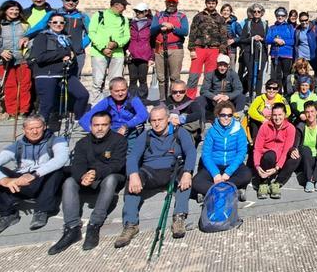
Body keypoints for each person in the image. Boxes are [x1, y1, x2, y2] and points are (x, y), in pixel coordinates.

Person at [115, 105, 196, 248]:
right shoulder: (145, 136)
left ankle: (179, 217)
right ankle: (131, 224)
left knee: (186, 178)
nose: (157, 123)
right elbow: (133, 157)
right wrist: (133, 174)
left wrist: (188, 172)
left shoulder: (180, 133)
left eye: (160, 119)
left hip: (173, 169)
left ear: (168, 119)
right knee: (132, 182)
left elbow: (190, 152)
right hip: (150, 171)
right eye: (153, 120)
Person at [48, 111, 127, 254]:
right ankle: (72, 228)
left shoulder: (119, 140)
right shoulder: (82, 143)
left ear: (110, 125)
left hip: (110, 176)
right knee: (69, 182)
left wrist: (95, 172)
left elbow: (117, 164)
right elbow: (78, 164)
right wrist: (82, 176)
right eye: (96, 125)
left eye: (104, 125)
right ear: (90, 126)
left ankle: (94, 224)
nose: (100, 128)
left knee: (111, 180)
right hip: (87, 178)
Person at [0, 115, 68, 235]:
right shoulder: (17, 145)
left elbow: (61, 159)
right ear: (24, 130)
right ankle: (8, 214)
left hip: (43, 180)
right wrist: (6, 180)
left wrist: (35, 174)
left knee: (56, 170)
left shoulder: (57, 140)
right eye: (30, 128)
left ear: (45, 127)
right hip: (21, 181)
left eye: (38, 127)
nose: (35, 131)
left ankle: (42, 211)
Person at [29, 12, 90, 126]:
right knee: (47, 104)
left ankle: (78, 119)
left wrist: (70, 60)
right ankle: (40, 128)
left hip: (64, 74)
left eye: (61, 22)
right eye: (55, 22)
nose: (58, 24)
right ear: (49, 23)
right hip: (46, 74)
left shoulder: (65, 39)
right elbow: (40, 57)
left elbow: (69, 55)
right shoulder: (42, 37)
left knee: (82, 95)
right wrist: (63, 53)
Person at [192, 101, 252, 201]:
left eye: (229, 115)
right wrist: (215, 174)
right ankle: (231, 191)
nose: (226, 118)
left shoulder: (238, 129)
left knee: (247, 175)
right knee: (196, 182)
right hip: (215, 165)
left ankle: (213, 191)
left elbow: (241, 152)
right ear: (218, 115)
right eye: (223, 115)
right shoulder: (212, 131)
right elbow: (206, 154)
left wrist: (228, 172)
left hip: (232, 164)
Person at [0, 0, 31, 116]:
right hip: (4, 61)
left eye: (17, 10)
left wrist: (28, 42)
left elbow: (31, 39)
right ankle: (13, 112)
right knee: (10, 86)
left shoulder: (25, 25)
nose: (14, 12)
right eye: (11, 9)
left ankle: (24, 111)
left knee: (25, 86)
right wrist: (0, 52)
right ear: (5, 11)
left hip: (23, 59)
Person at [25, 0, 91, 74]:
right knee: (56, 77)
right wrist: (27, 36)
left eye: (74, 0)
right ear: (63, 0)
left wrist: (81, 46)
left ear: (77, 2)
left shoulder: (83, 17)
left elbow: (91, 33)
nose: (71, 2)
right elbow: (40, 26)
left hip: (77, 54)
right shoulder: (53, 13)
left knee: (74, 79)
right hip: (56, 53)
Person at [80, 77, 148, 147]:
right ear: (110, 91)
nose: (120, 93)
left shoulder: (133, 100)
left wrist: (126, 126)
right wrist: (95, 132)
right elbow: (84, 119)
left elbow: (143, 115)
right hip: (111, 133)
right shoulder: (107, 102)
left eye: (123, 90)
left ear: (127, 89)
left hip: (130, 131)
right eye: (117, 91)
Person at [88, 0, 130, 103]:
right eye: (123, 5)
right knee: (98, 82)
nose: (124, 8)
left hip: (117, 54)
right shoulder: (99, 15)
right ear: (116, 5)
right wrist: (103, 48)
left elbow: (127, 36)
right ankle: (97, 108)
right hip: (99, 53)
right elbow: (92, 33)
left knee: (117, 83)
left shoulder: (124, 19)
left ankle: (116, 107)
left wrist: (116, 44)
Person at [253, 103, 299, 200]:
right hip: (267, 158)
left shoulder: (290, 128)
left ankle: (277, 183)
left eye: (280, 115)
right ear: (271, 115)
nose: (277, 118)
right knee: (270, 155)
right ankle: (263, 182)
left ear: (285, 115)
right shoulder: (265, 126)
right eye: (274, 115)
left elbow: (287, 149)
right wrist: (257, 166)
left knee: (296, 157)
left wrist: (277, 168)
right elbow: (257, 148)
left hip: (281, 160)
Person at [187, 0, 228, 98]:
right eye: (209, 3)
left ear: (216, 4)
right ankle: (190, 98)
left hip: (214, 50)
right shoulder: (198, 16)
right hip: (199, 48)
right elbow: (192, 33)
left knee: (209, 76)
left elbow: (223, 36)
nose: (211, 5)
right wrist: (192, 49)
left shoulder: (220, 19)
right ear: (206, 4)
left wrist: (222, 52)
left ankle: (206, 97)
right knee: (193, 75)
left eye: (213, 3)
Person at [151, 0, 189, 99]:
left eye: (173, 2)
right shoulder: (158, 16)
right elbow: (152, 30)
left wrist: (172, 27)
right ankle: (163, 100)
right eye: (169, 2)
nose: (171, 4)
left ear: (177, 4)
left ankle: (174, 99)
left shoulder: (182, 16)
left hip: (176, 48)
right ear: (165, 3)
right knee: (161, 77)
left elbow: (185, 31)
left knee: (175, 77)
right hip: (160, 47)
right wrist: (161, 25)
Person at [293, 101, 317, 192]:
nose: (310, 114)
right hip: (305, 157)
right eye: (307, 112)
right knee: (305, 149)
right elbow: (295, 144)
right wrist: (293, 149)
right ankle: (309, 180)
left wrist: (316, 174)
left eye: (312, 111)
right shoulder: (300, 127)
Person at [161, 79, 207, 145]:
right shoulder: (164, 104)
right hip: (167, 135)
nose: (178, 94)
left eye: (181, 91)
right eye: (175, 92)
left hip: (186, 134)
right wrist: (169, 119)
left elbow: (198, 114)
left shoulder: (191, 103)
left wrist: (181, 119)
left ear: (185, 91)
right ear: (170, 92)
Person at [239, 3, 268, 96]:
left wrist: (261, 39)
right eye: (254, 11)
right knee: (250, 75)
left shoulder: (265, 25)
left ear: (261, 13)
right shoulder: (247, 24)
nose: (256, 13)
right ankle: (250, 95)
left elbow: (268, 39)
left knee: (260, 75)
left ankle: (258, 96)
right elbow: (242, 39)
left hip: (261, 52)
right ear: (251, 12)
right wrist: (252, 38)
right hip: (249, 52)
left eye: (258, 11)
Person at [126, 3, 154, 100]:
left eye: (140, 12)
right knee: (132, 79)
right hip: (132, 55)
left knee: (142, 78)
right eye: (136, 11)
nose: (138, 13)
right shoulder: (130, 24)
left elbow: (153, 42)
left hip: (144, 55)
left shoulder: (150, 25)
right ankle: (131, 100)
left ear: (146, 12)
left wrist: (152, 57)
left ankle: (142, 100)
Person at [266, 6, 295, 91]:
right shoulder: (272, 28)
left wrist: (283, 41)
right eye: (278, 15)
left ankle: (286, 93)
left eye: (282, 15)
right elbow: (267, 39)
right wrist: (274, 40)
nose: (280, 17)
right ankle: (278, 93)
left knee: (286, 75)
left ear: (285, 16)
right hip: (275, 54)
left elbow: (293, 41)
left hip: (287, 54)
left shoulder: (289, 27)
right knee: (277, 75)